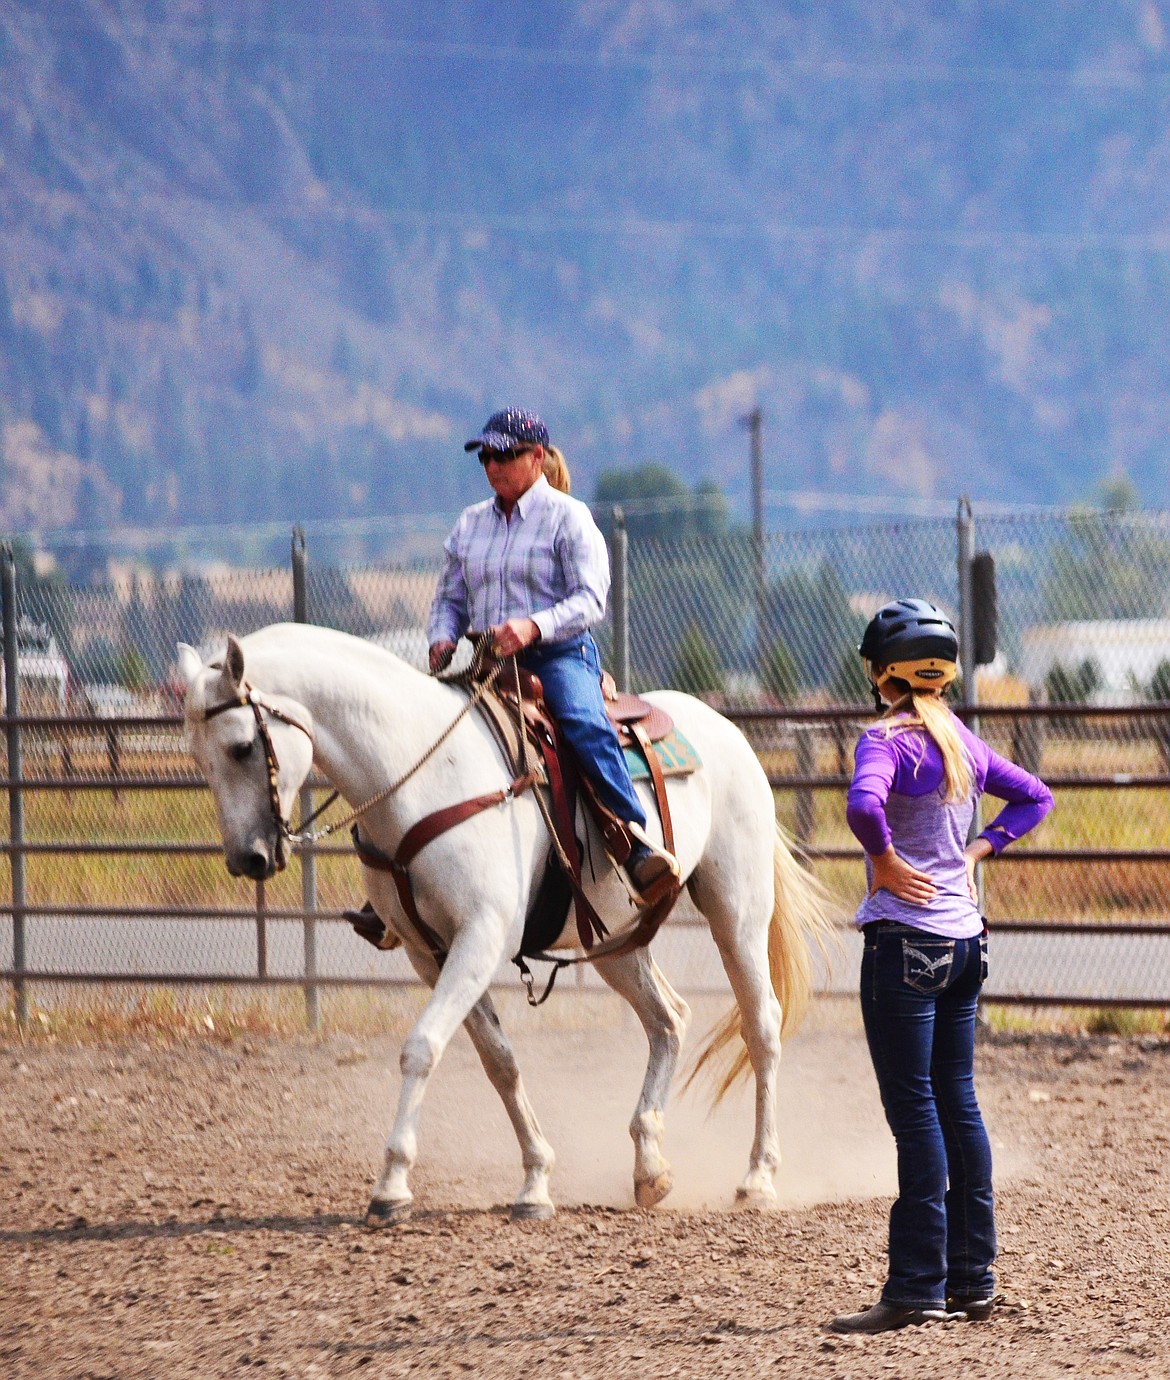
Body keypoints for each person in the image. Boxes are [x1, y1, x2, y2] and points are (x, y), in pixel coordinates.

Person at [825, 598, 1053, 1335]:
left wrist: (885, 859)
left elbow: (864, 808)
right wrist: (980, 849)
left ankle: (917, 1284)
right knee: (958, 1103)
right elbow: (1035, 797)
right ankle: (973, 1281)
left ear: (882, 672)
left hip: (906, 946)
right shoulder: (961, 740)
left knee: (915, 1113)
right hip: (965, 945)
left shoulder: (886, 739)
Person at [427, 407, 677, 894]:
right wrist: (442, 636)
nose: (493, 466)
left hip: (559, 655)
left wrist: (533, 627)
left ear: (537, 456)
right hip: (488, 659)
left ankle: (634, 839)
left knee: (582, 721)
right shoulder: (469, 524)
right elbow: (450, 599)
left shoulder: (568, 517)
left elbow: (591, 599)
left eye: (505, 454)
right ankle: (405, 871)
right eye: (485, 458)